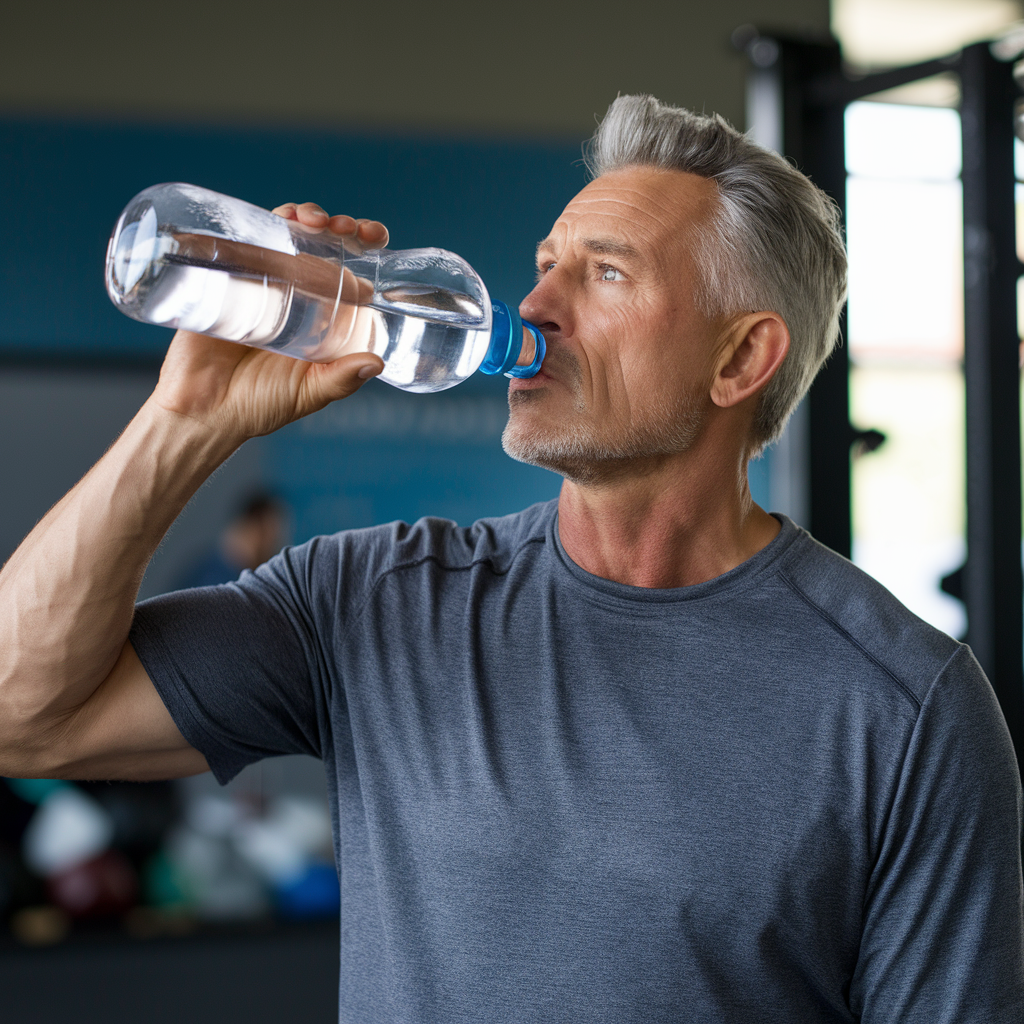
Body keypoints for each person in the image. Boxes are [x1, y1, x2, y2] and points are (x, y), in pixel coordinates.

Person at [0, 95, 1021, 1022]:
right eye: (545, 266)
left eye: (607, 272)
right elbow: (21, 714)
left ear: (740, 359)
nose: (533, 306)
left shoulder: (903, 706)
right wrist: (188, 421)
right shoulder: (373, 600)